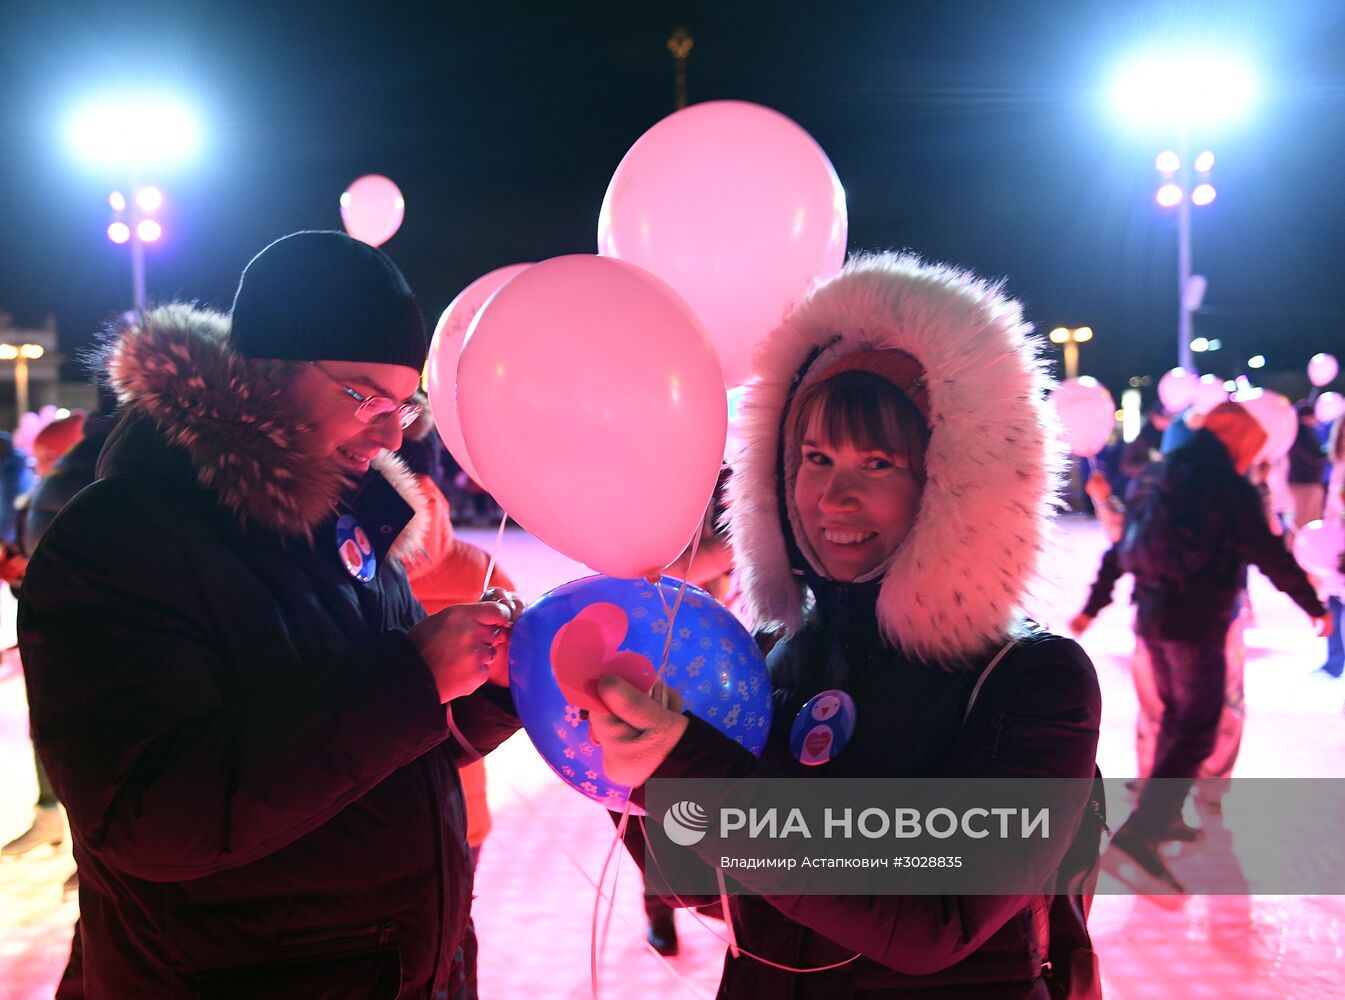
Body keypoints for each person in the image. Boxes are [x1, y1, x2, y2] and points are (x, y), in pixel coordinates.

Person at [18, 231, 523, 999]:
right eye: (363, 396)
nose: (391, 435)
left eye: (403, 404)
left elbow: (379, 759)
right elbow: (148, 815)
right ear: (262, 373)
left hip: (402, 967)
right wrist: (410, 679)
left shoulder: (351, 527)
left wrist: (489, 683)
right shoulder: (121, 539)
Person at [589, 254, 1103, 999]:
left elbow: (935, 917)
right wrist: (623, 760)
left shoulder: (1030, 677)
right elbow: (697, 887)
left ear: (952, 480)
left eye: (878, 463)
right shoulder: (767, 653)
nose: (833, 496)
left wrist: (693, 767)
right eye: (814, 456)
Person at [1073, 402, 1330, 890]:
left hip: (1152, 618)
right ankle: (1140, 836)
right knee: (1196, 726)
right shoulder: (1227, 488)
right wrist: (1312, 605)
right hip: (1198, 623)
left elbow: (1123, 544)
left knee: (1176, 720)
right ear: (1239, 443)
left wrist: (1094, 604)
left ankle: (1162, 816)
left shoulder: (1157, 475)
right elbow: (1269, 552)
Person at [1288, 401, 1327, 530]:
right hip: (1306, 484)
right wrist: (1327, 453)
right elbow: (1314, 456)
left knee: (1302, 518)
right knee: (1306, 521)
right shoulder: (1303, 434)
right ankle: (1295, 548)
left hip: (1300, 482)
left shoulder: (1295, 432)